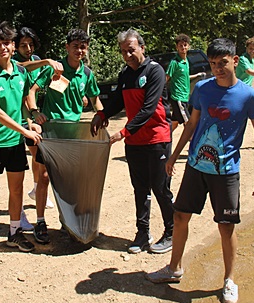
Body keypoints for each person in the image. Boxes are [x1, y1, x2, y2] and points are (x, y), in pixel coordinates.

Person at [145, 38, 254, 303]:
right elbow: (191, 125)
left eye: (222, 63)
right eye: (212, 64)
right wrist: (174, 156)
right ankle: (174, 268)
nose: (217, 69)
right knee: (180, 216)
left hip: (226, 172)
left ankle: (228, 280)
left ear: (235, 61)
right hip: (196, 167)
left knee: (226, 227)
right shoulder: (201, 89)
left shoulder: (248, 95)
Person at [90, 29, 174, 255]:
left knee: (160, 188)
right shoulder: (125, 74)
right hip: (135, 142)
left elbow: (148, 109)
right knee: (140, 188)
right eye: (123, 51)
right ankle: (142, 233)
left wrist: (123, 132)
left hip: (157, 138)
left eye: (131, 50)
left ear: (142, 48)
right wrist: (102, 115)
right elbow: (118, 101)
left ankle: (171, 232)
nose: (127, 55)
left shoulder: (155, 71)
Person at [0, 21, 50, 261]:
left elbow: (22, 104)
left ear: (12, 45)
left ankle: (14, 232)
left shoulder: (20, 72)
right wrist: (26, 131)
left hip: (15, 143)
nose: (3, 48)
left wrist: (30, 119)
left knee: (16, 189)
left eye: (7, 43)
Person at [25, 28, 103, 245]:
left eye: (83, 46)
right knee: (44, 177)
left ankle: (67, 221)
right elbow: (31, 92)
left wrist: (102, 116)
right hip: (50, 134)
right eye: (76, 46)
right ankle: (40, 222)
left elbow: (95, 99)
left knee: (70, 180)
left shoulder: (86, 74)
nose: (79, 50)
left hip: (73, 135)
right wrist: (34, 113)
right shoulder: (54, 69)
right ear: (67, 46)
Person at [12, 27, 55, 223]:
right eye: (23, 45)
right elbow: (23, 69)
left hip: (31, 118)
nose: (28, 48)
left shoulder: (37, 60)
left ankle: (37, 189)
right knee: (16, 172)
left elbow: (33, 90)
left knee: (38, 157)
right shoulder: (13, 63)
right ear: (15, 47)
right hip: (15, 120)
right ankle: (19, 214)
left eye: (30, 44)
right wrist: (31, 117)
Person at [166, 33, 206, 132]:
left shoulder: (186, 61)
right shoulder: (174, 62)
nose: (183, 47)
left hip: (185, 96)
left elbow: (184, 77)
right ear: (177, 47)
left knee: (174, 123)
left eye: (185, 45)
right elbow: (166, 78)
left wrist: (197, 75)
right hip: (178, 98)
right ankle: (195, 145)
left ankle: (162, 141)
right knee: (189, 124)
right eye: (180, 45)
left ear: (188, 46)